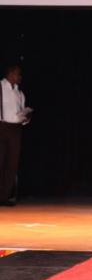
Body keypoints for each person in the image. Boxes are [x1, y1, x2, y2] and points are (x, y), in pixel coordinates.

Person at [0, 64, 31, 206]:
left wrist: (25, 117)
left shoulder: (20, 93)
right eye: (18, 74)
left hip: (16, 129)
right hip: (2, 126)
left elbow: (20, 112)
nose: (20, 77)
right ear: (11, 73)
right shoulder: (0, 87)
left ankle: (4, 197)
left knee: (12, 164)